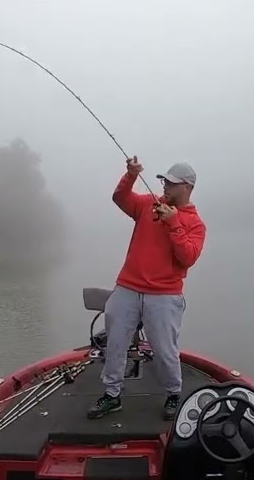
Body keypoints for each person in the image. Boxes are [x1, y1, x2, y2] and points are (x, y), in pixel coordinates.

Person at [88, 156, 207, 420]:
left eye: (172, 183)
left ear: (187, 187)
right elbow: (120, 198)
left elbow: (188, 258)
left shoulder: (196, 224)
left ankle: (173, 393)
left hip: (165, 295)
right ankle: (112, 394)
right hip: (127, 288)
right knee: (115, 343)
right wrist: (130, 175)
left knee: (164, 350)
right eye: (164, 181)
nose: (165, 186)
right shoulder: (147, 204)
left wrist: (173, 224)